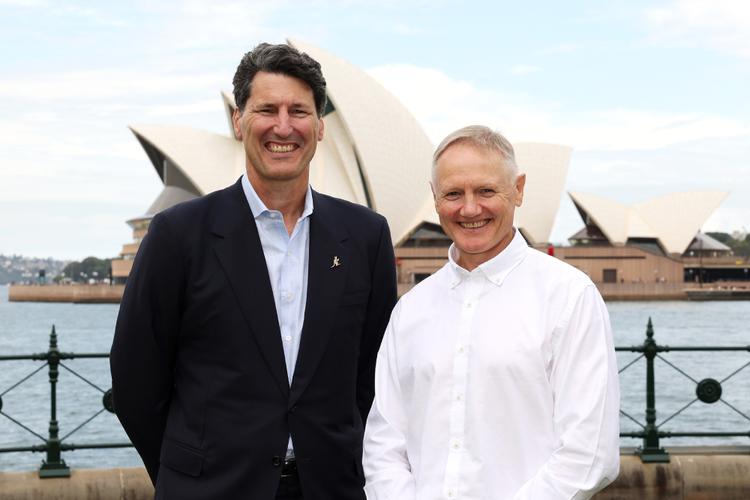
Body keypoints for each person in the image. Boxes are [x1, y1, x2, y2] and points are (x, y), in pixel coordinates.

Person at [110, 42, 397, 500]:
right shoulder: (178, 234)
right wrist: (184, 473)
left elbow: (375, 375)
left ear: (321, 127)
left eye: (299, 111)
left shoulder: (365, 236)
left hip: (330, 487)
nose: (283, 126)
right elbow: (134, 381)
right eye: (267, 109)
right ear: (238, 120)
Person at [363, 125, 620, 499]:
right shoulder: (410, 310)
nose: (469, 209)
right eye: (453, 193)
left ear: (518, 189)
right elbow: (383, 445)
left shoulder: (568, 296)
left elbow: (589, 453)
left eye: (486, 190)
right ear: (435, 198)